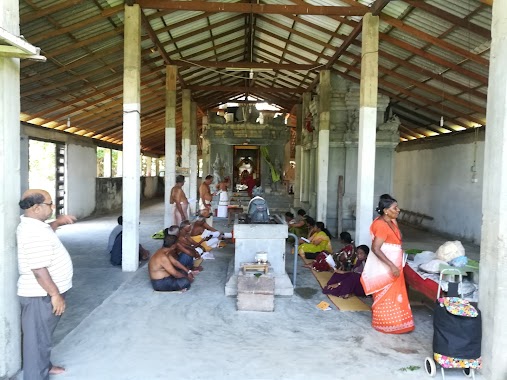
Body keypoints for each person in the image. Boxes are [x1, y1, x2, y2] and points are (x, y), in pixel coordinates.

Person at [17, 189, 76, 379]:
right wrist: (55, 295)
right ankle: (36, 374)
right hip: (40, 295)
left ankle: (44, 366)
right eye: (49, 204)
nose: (53, 207)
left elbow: (46, 233)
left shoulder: (37, 225)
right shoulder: (32, 232)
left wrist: (57, 222)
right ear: (35, 207)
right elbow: (38, 270)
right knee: (36, 340)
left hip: (44, 294)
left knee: (42, 336)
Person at [360, 194, 414, 334]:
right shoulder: (381, 225)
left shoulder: (390, 222)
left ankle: (398, 323)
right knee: (386, 294)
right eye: (395, 208)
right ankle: (386, 323)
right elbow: (375, 248)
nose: (398, 210)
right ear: (385, 210)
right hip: (387, 267)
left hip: (395, 264)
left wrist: (394, 222)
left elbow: (398, 239)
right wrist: (391, 266)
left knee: (396, 294)